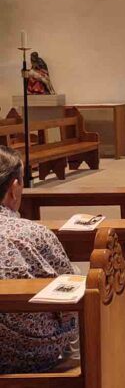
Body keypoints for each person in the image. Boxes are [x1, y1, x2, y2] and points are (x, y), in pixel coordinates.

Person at [0, 146, 79, 373]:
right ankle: (84, 365)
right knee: (81, 279)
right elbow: (70, 289)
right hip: (32, 351)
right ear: (14, 189)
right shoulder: (33, 234)